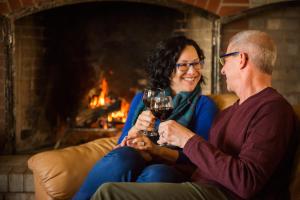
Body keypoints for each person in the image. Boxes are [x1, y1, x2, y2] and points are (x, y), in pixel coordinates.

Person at [91, 30, 298, 200]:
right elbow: (203, 167)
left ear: (241, 59)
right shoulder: (228, 113)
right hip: (202, 187)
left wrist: (186, 139)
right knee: (121, 171)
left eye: (224, 61)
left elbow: (246, 182)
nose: (223, 70)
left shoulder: (273, 109)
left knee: (110, 193)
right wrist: (151, 150)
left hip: (221, 194)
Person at [73, 36, 218, 200]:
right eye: (184, 65)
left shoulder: (203, 105)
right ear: (167, 68)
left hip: (174, 167)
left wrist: (156, 150)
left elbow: (201, 157)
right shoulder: (143, 99)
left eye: (196, 63)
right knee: (122, 158)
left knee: (157, 174)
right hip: (137, 160)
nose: (193, 71)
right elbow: (121, 145)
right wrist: (135, 132)